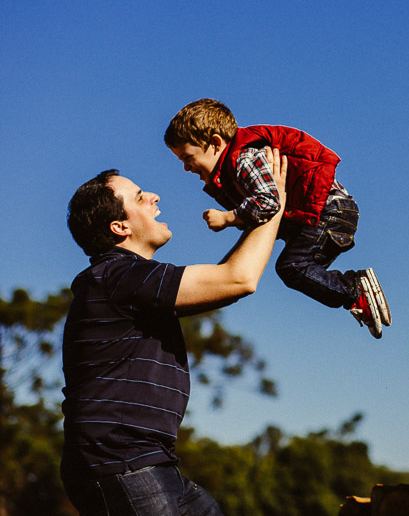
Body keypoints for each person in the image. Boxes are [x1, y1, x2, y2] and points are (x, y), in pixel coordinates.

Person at [60, 148, 287, 516]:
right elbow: (238, 278)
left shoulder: (124, 278)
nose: (154, 197)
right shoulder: (116, 276)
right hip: (122, 462)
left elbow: (234, 272)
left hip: (151, 462)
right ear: (120, 226)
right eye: (139, 197)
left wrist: (263, 213)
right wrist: (273, 203)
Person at [164, 98, 391, 338]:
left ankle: (354, 291)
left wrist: (228, 218)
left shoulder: (243, 160)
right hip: (325, 215)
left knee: (293, 267)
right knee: (298, 269)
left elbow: (269, 201)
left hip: (328, 212)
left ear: (215, 143)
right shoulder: (233, 169)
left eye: (188, 158)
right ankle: (354, 291)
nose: (186, 168)